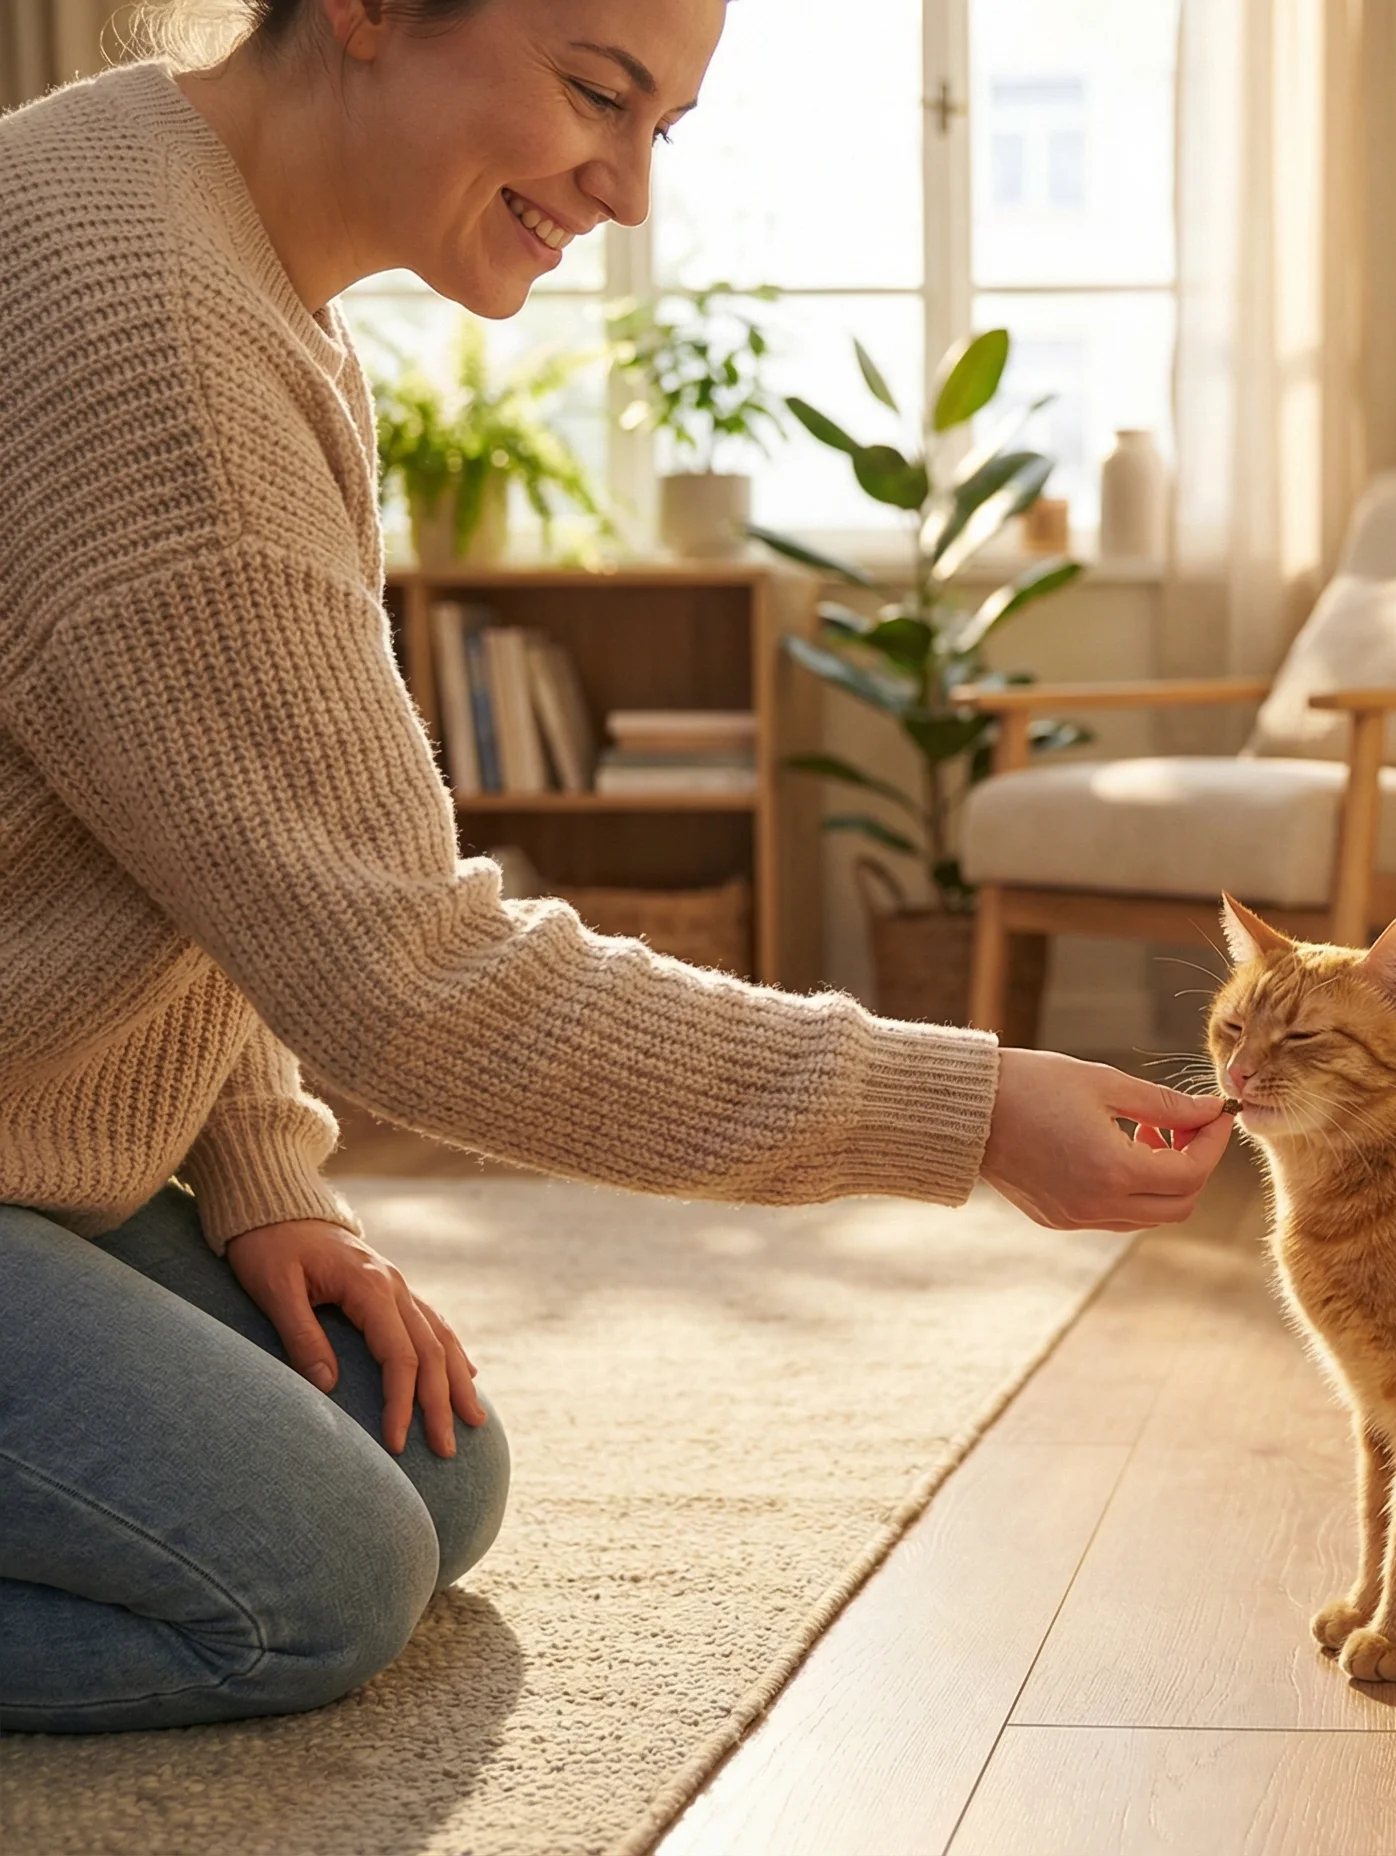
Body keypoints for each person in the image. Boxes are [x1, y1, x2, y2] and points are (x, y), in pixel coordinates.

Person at [0, 0, 1231, 1733]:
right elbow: (407, 983)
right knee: (309, 1581)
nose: (631, 193)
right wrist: (963, 1110)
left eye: (670, 126)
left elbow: (201, 836)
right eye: (596, 93)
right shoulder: (159, 348)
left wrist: (265, 1171)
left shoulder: (175, 186)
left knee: (429, 1475)